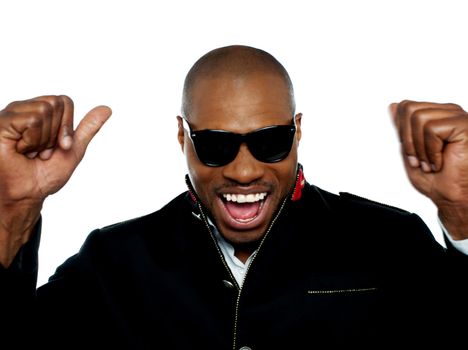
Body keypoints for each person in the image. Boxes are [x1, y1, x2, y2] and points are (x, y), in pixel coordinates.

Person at [1, 45, 467, 349]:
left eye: (269, 142)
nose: (244, 171)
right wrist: (10, 214)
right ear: (182, 137)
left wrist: (464, 213)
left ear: (298, 131)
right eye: (216, 145)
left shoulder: (389, 242)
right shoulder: (113, 263)